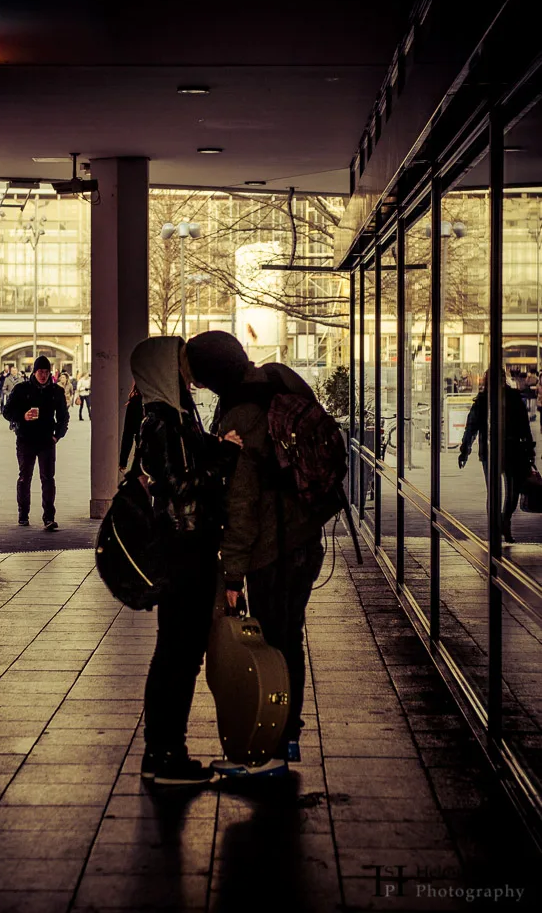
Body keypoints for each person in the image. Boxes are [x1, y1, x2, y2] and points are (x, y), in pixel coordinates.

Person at [184, 330, 327, 777]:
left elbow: (242, 504)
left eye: (202, 379)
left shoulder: (241, 415)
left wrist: (231, 576)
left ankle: (272, 748)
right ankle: (287, 741)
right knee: (290, 638)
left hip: (272, 549)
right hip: (306, 537)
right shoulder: (280, 380)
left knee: (273, 646)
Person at [132, 336, 241, 787]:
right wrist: (227, 454)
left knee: (175, 654)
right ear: (162, 371)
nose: (188, 374)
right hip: (184, 551)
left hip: (188, 547)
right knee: (178, 656)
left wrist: (211, 446)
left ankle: (162, 751)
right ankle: (166, 755)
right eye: (180, 365)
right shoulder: (162, 422)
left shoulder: (175, 419)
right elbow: (182, 486)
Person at [459, 370, 536, 543]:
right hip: (490, 451)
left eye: (501, 377)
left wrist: (529, 448)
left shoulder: (514, 398)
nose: (499, 381)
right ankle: (496, 528)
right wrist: (465, 448)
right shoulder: (482, 400)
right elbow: (472, 425)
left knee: (513, 492)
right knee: (494, 492)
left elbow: (524, 425)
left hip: (513, 450)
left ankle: (504, 520)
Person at [3, 354, 69, 530]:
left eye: (46, 371)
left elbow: (64, 417)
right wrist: (22, 416)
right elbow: (7, 411)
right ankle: (23, 514)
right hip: (25, 439)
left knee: (48, 479)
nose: (43, 375)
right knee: (25, 478)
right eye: (40, 371)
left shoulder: (56, 391)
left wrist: (57, 435)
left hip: (47, 440)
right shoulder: (21, 389)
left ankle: (49, 517)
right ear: (34, 372)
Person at [119, 384, 143, 473]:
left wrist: (123, 461)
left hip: (143, 452)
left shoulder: (135, 402)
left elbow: (128, 434)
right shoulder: (163, 403)